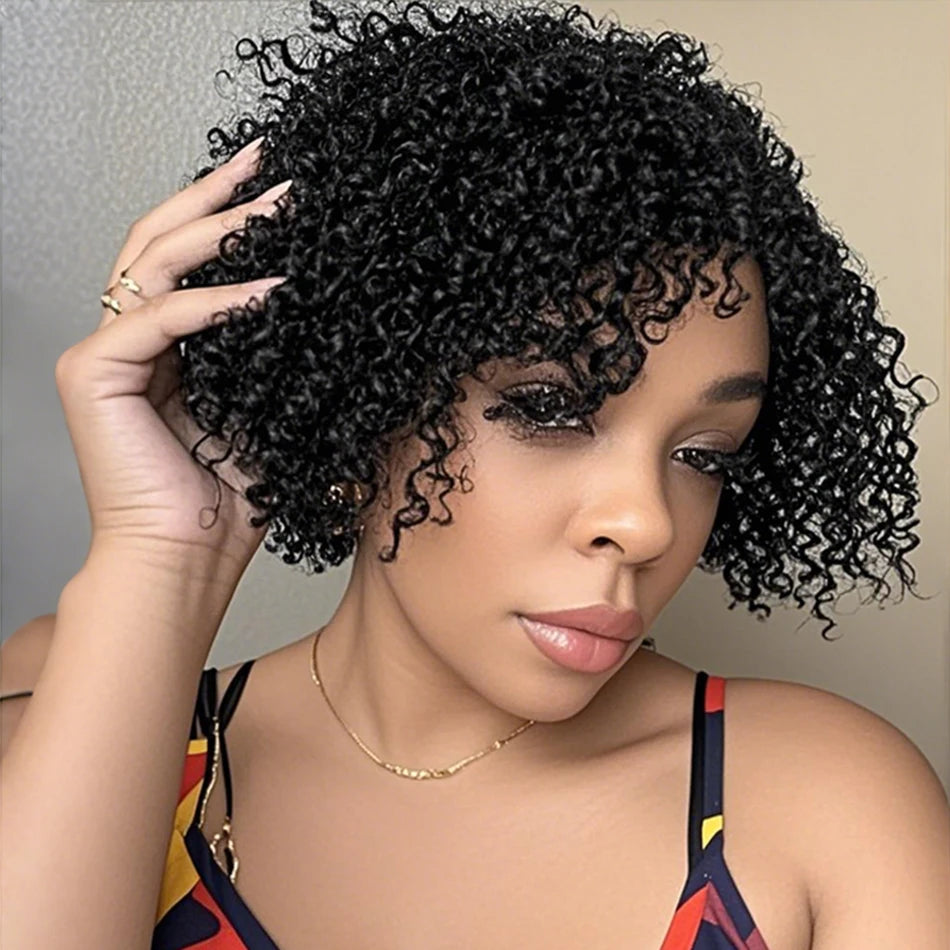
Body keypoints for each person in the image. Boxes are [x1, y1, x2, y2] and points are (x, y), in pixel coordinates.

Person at [2, 1, 948, 948]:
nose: (648, 524)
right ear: (364, 396)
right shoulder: (73, 734)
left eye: (703, 454)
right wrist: (165, 557)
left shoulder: (824, 806)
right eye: (550, 407)